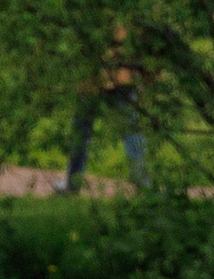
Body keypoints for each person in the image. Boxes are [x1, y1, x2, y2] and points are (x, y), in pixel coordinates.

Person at [55, 26, 150, 194]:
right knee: (129, 132)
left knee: (84, 131)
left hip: (107, 78)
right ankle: (143, 185)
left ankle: (72, 185)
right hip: (115, 78)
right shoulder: (126, 18)